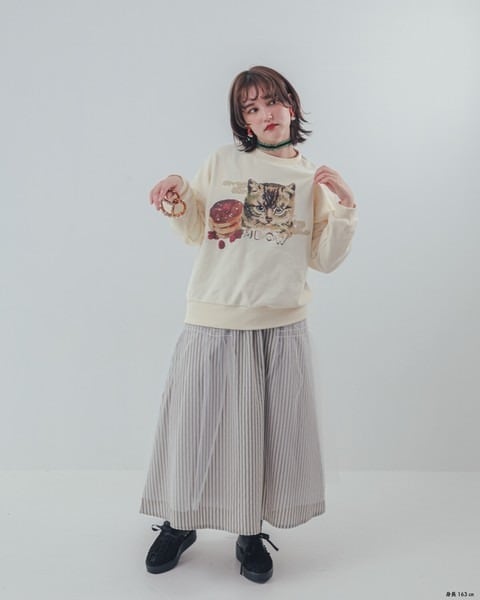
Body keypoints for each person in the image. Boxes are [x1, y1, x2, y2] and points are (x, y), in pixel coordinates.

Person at [139, 65, 358, 584]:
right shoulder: (222, 161)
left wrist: (346, 206)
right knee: (195, 426)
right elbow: (195, 227)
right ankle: (179, 521)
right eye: (251, 109)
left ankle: (249, 531)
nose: (265, 114)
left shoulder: (312, 179)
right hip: (213, 315)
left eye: (272, 102)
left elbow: (325, 259)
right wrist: (176, 192)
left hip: (280, 323)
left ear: (291, 106)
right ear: (244, 122)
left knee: (263, 436)